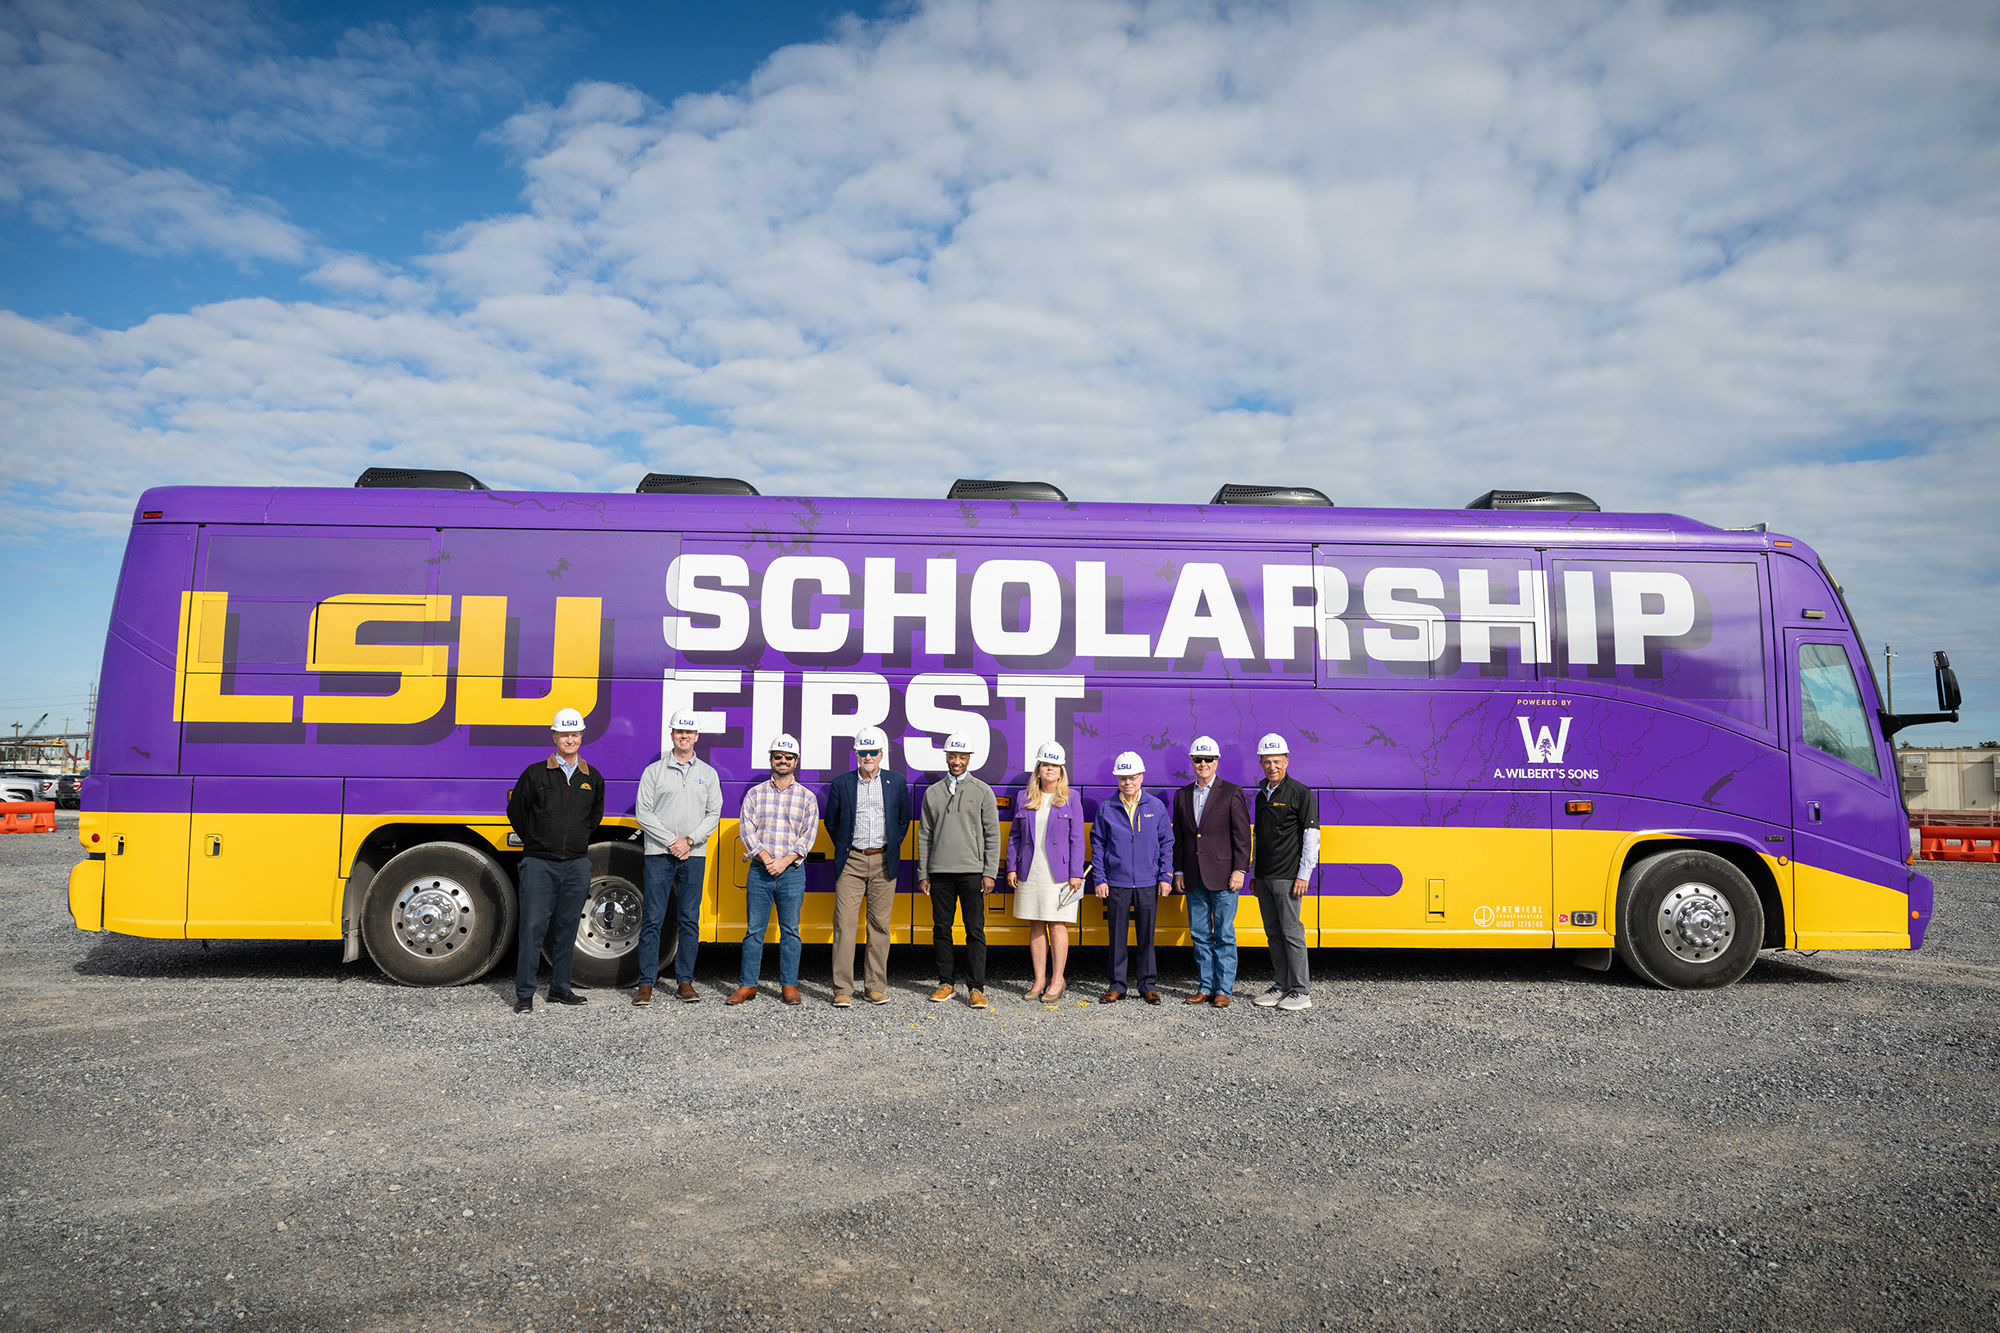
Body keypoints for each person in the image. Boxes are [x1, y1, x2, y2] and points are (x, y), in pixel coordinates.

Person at [505, 707, 605, 1014]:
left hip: (576, 863)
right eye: (564, 734)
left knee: (567, 928)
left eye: (575, 734)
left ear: (581, 737)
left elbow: (594, 818)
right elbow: (517, 813)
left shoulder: (592, 777)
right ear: (555, 737)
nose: (570, 739)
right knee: (533, 928)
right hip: (539, 863)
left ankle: (561, 989)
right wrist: (536, 839)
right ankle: (525, 994)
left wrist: (576, 839)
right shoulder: (535, 774)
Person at [632, 709, 723, 1006]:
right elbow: (643, 813)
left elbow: (714, 814)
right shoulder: (654, 772)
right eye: (679, 731)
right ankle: (646, 983)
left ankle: (685, 981)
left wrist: (690, 840)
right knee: (653, 919)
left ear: (696, 737)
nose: (684, 736)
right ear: (672, 734)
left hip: (693, 855)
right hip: (659, 853)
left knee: (689, 920)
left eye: (689, 732)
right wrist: (672, 841)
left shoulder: (708, 774)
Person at [822, 726, 911, 1007]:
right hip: (852, 861)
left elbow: (902, 821)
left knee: (879, 927)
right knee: (845, 927)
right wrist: (847, 849)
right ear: (857, 754)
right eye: (863, 752)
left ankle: (874, 986)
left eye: (873, 752)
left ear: (882, 754)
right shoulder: (842, 783)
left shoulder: (896, 782)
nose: (868, 756)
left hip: (884, 860)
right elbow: (831, 822)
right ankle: (843, 989)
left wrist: (890, 847)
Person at [729, 734, 819, 1007]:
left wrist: (784, 861)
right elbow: (747, 829)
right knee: (754, 931)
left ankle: (789, 985)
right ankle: (747, 985)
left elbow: (808, 835)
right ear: (771, 759)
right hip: (759, 871)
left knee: (790, 931)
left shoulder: (807, 798)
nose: (783, 760)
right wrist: (768, 859)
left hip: (791, 873)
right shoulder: (756, 794)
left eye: (788, 757)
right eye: (778, 756)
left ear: (796, 761)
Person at [916, 734, 1001, 1009]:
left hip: (972, 872)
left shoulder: (982, 791)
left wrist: (989, 872)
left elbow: (992, 835)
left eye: (962, 757)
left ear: (969, 759)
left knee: (975, 930)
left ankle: (976, 988)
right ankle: (946, 983)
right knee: (941, 929)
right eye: (952, 756)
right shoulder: (933, 793)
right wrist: (923, 873)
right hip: (940, 871)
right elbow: (924, 835)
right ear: (946, 758)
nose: (956, 761)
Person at [1171, 734, 1252, 1007]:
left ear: (1217, 762)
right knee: (1199, 934)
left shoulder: (1232, 792)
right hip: (1194, 876)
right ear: (1192, 763)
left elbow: (1242, 836)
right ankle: (1205, 986)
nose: (1203, 764)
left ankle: (1224, 990)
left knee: (1224, 934)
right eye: (1198, 759)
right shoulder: (1182, 795)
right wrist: (1178, 871)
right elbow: (1180, 838)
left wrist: (1240, 869)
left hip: (1224, 876)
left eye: (1208, 759)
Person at [1090, 751, 1174, 1005]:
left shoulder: (1156, 807)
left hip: (1148, 881)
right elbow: (1098, 845)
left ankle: (1147, 985)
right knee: (1117, 936)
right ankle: (1117, 985)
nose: (1128, 782)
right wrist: (1100, 878)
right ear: (1117, 779)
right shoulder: (1107, 808)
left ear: (1141, 777)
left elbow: (1166, 842)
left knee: (1147, 935)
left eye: (1133, 777)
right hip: (1117, 881)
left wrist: (1165, 875)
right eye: (1123, 778)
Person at [1005, 741, 1086, 1003]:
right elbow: (1015, 836)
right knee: (1036, 923)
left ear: (1061, 771)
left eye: (1054, 765)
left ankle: (1057, 980)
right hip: (1031, 869)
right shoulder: (1024, 797)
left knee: (1057, 924)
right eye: (1045, 764)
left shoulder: (1071, 798)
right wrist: (1012, 866)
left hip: (1060, 873)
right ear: (1038, 769)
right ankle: (1039, 980)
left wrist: (1076, 874)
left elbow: (1077, 839)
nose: (1049, 769)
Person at [1252, 733, 1318, 1012]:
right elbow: (1259, 839)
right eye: (1266, 762)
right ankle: (1281, 985)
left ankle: (1301, 991)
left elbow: (1311, 836)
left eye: (1277, 761)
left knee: (1292, 933)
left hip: (1289, 877)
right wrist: (1254, 874)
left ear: (1286, 761)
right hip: (1265, 877)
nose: (1272, 767)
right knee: (1273, 933)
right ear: (1261, 763)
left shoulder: (1300, 793)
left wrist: (1304, 875)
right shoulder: (1260, 796)